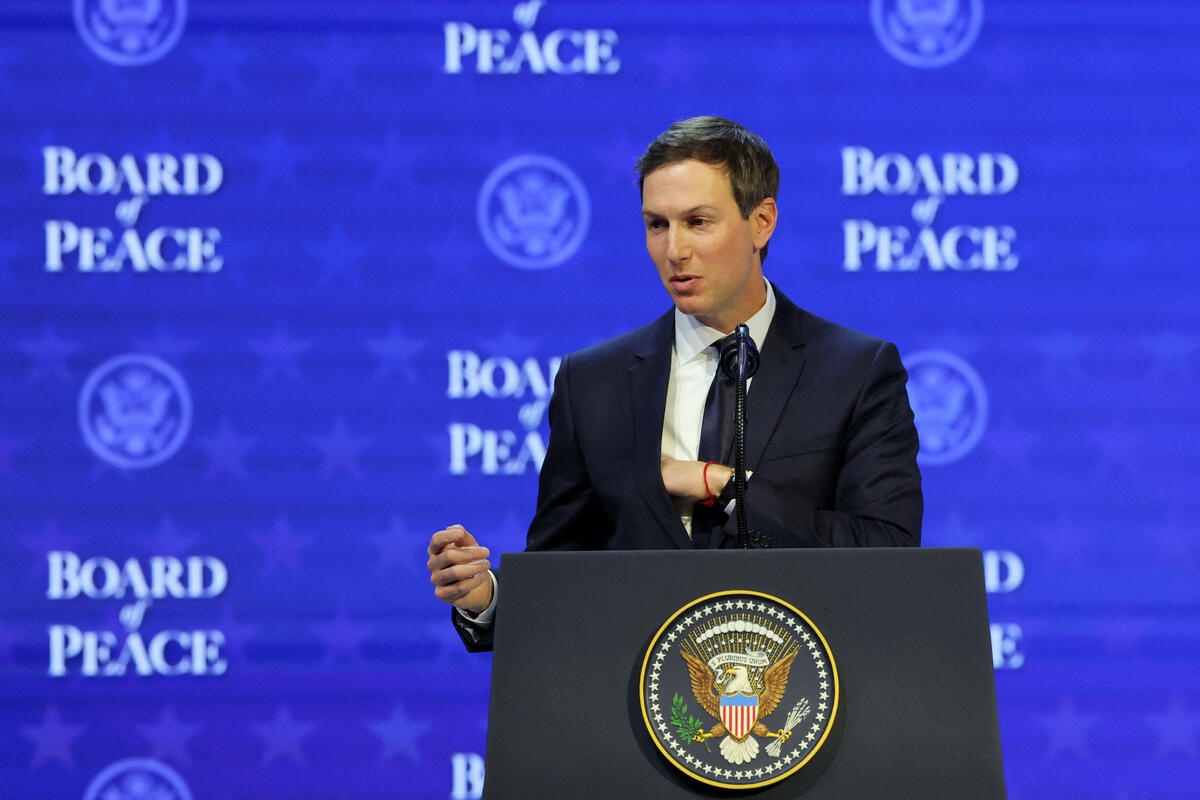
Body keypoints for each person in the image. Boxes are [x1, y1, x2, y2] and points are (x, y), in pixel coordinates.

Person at [427, 116, 922, 652]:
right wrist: (486, 596)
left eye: (698, 221)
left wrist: (723, 484)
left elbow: (887, 552)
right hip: (634, 689)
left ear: (761, 222)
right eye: (657, 224)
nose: (674, 250)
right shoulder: (593, 382)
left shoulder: (854, 371)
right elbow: (562, 571)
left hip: (803, 681)